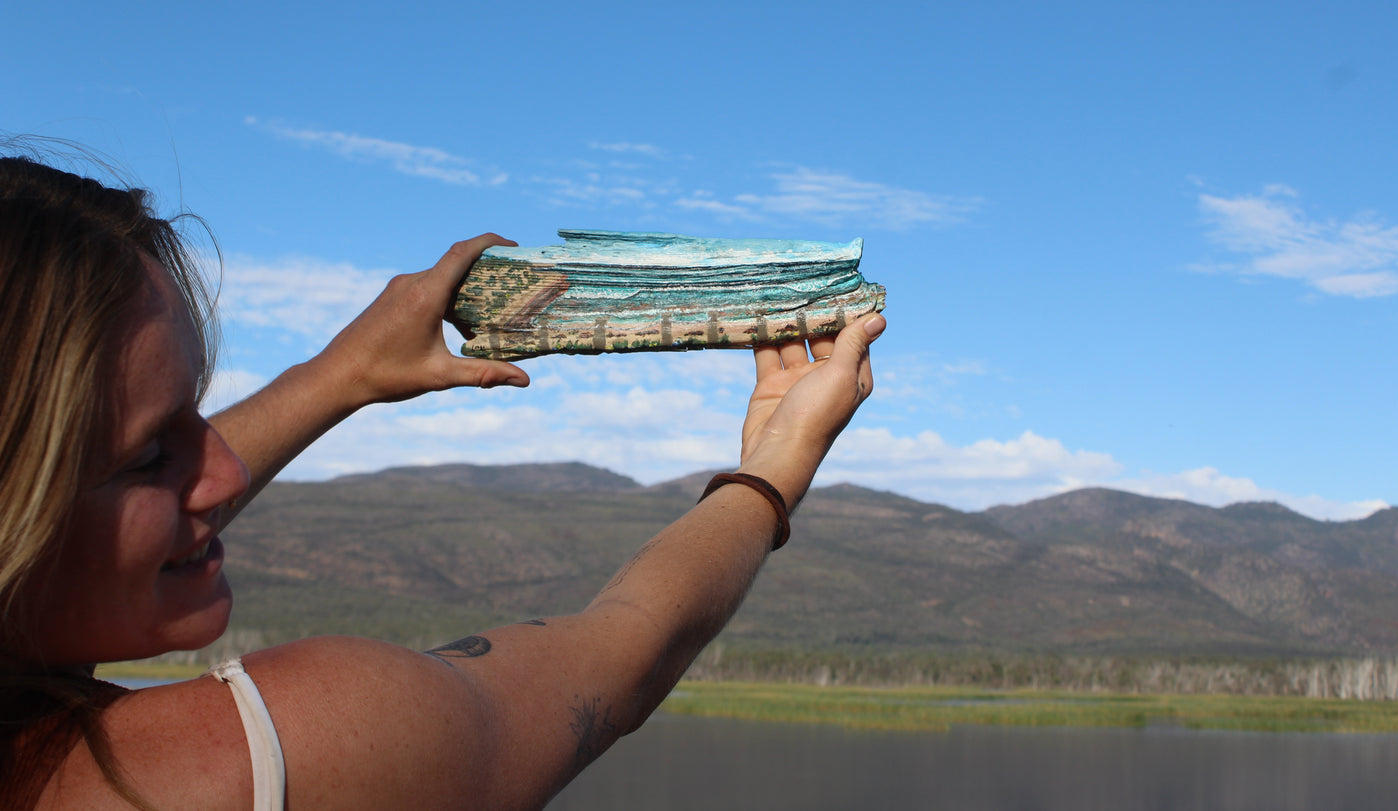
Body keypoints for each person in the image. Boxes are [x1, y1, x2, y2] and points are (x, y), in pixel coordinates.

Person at [0, 147, 884, 810]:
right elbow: (623, 651)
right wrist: (772, 465)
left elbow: (103, 491)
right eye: (154, 454)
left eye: (200, 412)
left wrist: (339, 373)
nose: (224, 467)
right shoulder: (271, 756)